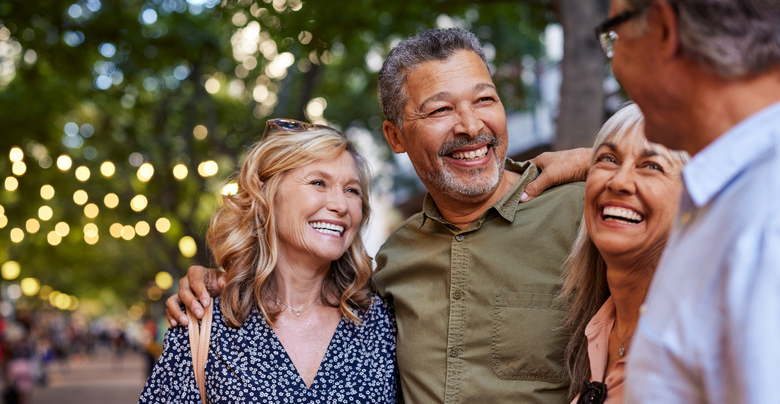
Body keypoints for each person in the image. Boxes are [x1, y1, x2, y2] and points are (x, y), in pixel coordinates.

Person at [166, 28, 590, 403]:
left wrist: (603, 160)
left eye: (485, 99)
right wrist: (214, 279)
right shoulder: (390, 268)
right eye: (440, 110)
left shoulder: (581, 214)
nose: (469, 125)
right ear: (396, 136)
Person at [596, 0, 780, 402]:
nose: (616, 62)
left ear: (663, 28)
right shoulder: (728, 198)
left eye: (614, 35)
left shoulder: (763, 225)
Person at [140, 120, 398, 403]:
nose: (340, 205)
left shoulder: (383, 321)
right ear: (265, 197)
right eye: (318, 183)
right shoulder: (204, 323)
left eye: (352, 190)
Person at [559, 104, 688, 404]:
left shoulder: (699, 342)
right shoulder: (598, 329)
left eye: (652, 165)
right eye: (608, 159)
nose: (618, 182)